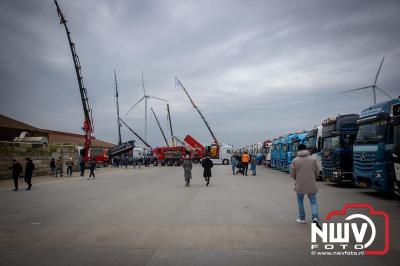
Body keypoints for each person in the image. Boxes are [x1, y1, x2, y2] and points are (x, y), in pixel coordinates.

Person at [290, 144, 320, 227]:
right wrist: (314, 178)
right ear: (306, 149)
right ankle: (315, 218)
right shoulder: (313, 159)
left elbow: (292, 173)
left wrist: (297, 179)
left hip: (300, 184)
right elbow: (317, 171)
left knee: (300, 202)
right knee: (313, 202)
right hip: (311, 184)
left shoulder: (295, 160)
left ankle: (302, 218)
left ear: (298, 150)